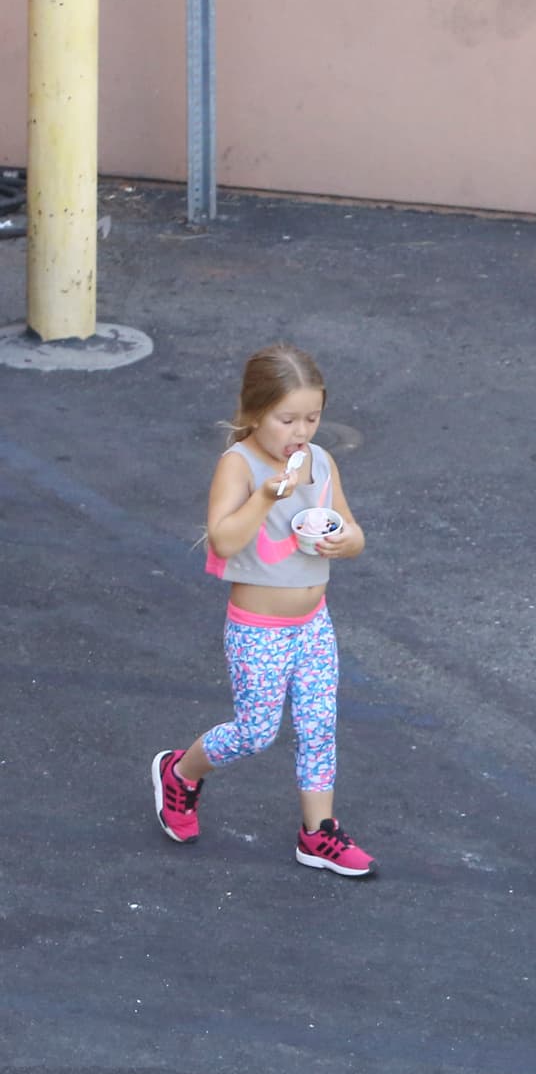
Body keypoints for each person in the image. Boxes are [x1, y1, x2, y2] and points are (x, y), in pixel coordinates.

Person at [150, 342, 376, 878]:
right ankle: (180, 772)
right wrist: (268, 496)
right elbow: (224, 541)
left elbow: (351, 527)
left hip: (313, 622)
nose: (301, 432)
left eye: (313, 418)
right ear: (254, 412)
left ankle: (317, 833)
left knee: (320, 725)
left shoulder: (320, 463)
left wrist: (347, 542)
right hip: (259, 628)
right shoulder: (241, 465)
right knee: (255, 732)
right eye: (287, 419)